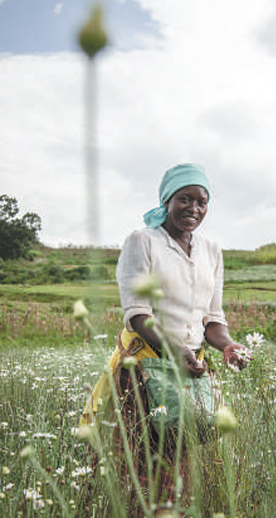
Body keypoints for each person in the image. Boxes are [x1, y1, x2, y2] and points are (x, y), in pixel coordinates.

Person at [81, 162, 249, 516]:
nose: (193, 208)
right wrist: (177, 350)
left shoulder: (211, 250)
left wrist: (228, 345)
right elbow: (139, 314)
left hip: (189, 375)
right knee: (138, 464)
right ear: (167, 200)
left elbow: (212, 319)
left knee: (178, 467)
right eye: (184, 199)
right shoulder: (142, 241)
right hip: (143, 370)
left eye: (201, 202)